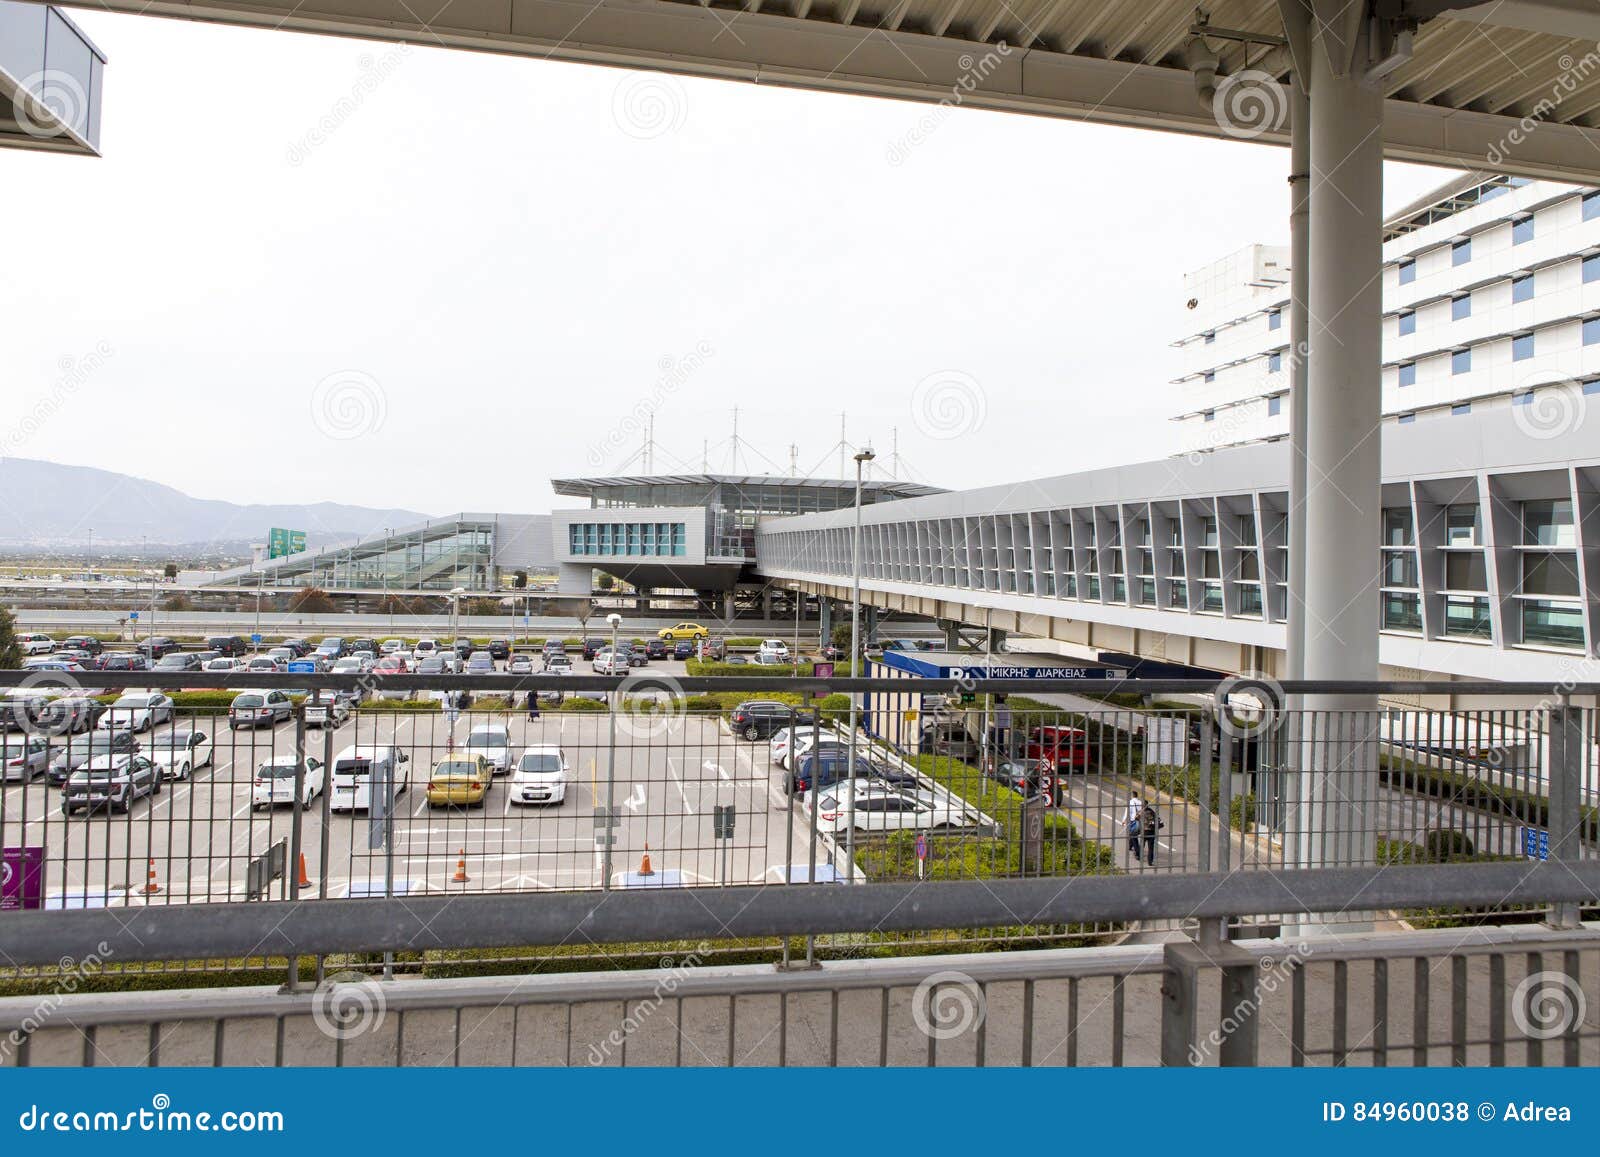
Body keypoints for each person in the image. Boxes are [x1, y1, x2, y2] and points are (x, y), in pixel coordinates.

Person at [1138, 799, 1162, 866]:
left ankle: (1139, 856)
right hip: (1151, 831)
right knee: (1151, 848)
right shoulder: (1152, 811)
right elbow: (1158, 819)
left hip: (1144, 831)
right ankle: (1150, 861)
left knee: (1142, 845)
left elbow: (1135, 818)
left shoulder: (1140, 812)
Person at [1125, 794, 1144, 861]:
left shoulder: (1130, 802)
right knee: (1132, 834)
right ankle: (1130, 846)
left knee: (1133, 836)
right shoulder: (1140, 802)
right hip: (1140, 822)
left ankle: (1138, 853)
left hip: (1133, 822)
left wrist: (1124, 820)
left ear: (1132, 795)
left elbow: (1127, 812)